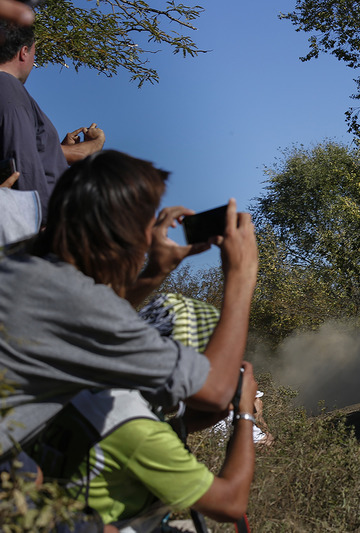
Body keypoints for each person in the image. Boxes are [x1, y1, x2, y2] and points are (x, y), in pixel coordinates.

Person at [0, 150, 258, 467]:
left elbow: (83, 324)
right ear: (122, 235)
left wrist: (153, 272)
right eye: (146, 224)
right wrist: (241, 277)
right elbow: (215, 391)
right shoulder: (82, 305)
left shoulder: (20, 262)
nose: (150, 236)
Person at [35, 294, 266, 532]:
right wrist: (244, 415)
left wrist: (189, 420)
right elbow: (230, 505)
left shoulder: (95, 388)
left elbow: (121, 438)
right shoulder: (140, 432)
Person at [0, 19, 105, 222]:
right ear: (24, 52)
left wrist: (53, 151)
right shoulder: (9, 87)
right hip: (28, 227)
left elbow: (21, 149)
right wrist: (39, 219)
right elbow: (19, 162)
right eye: (34, 53)